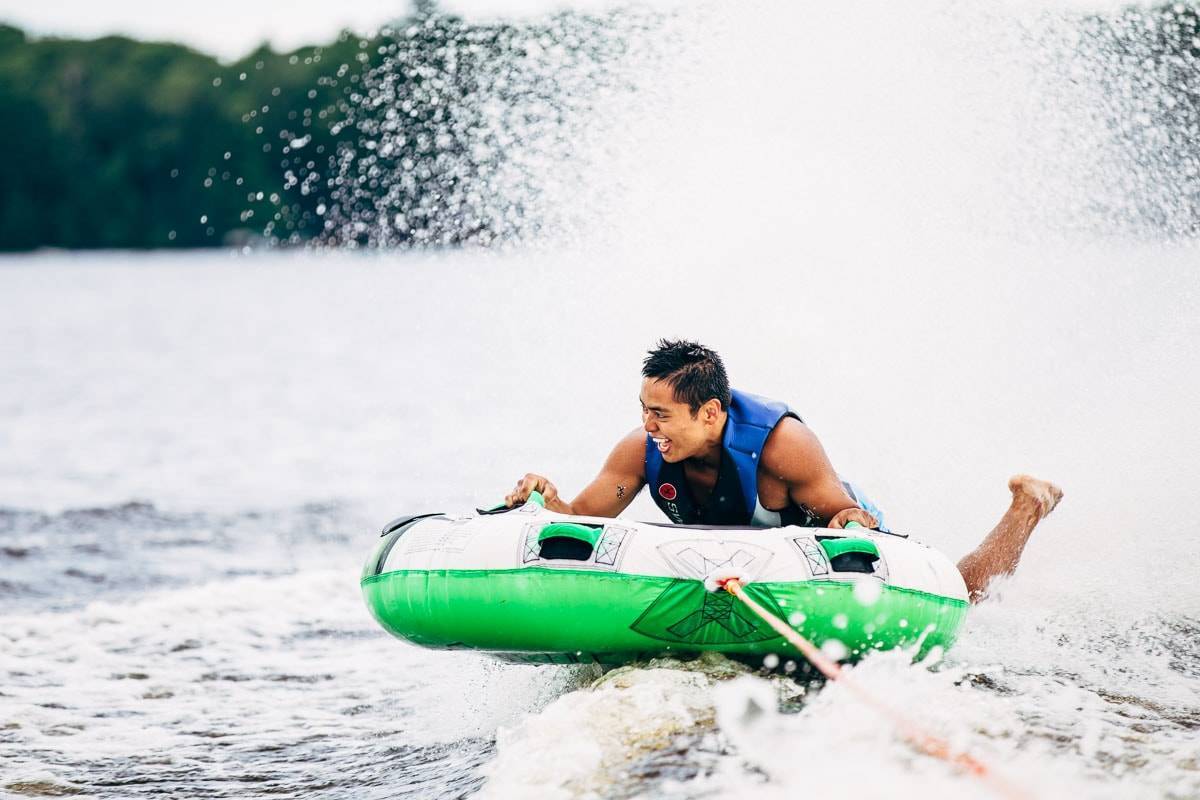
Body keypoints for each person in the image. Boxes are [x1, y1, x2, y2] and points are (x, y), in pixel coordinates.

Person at [505, 339, 1062, 603]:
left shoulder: (782, 446)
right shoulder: (641, 449)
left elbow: (843, 512)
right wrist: (543, 495)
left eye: (662, 415)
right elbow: (578, 518)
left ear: (710, 413)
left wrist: (853, 525)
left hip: (824, 539)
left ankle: (1027, 505)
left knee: (961, 596)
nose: (649, 426)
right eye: (645, 410)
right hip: (735, 561)